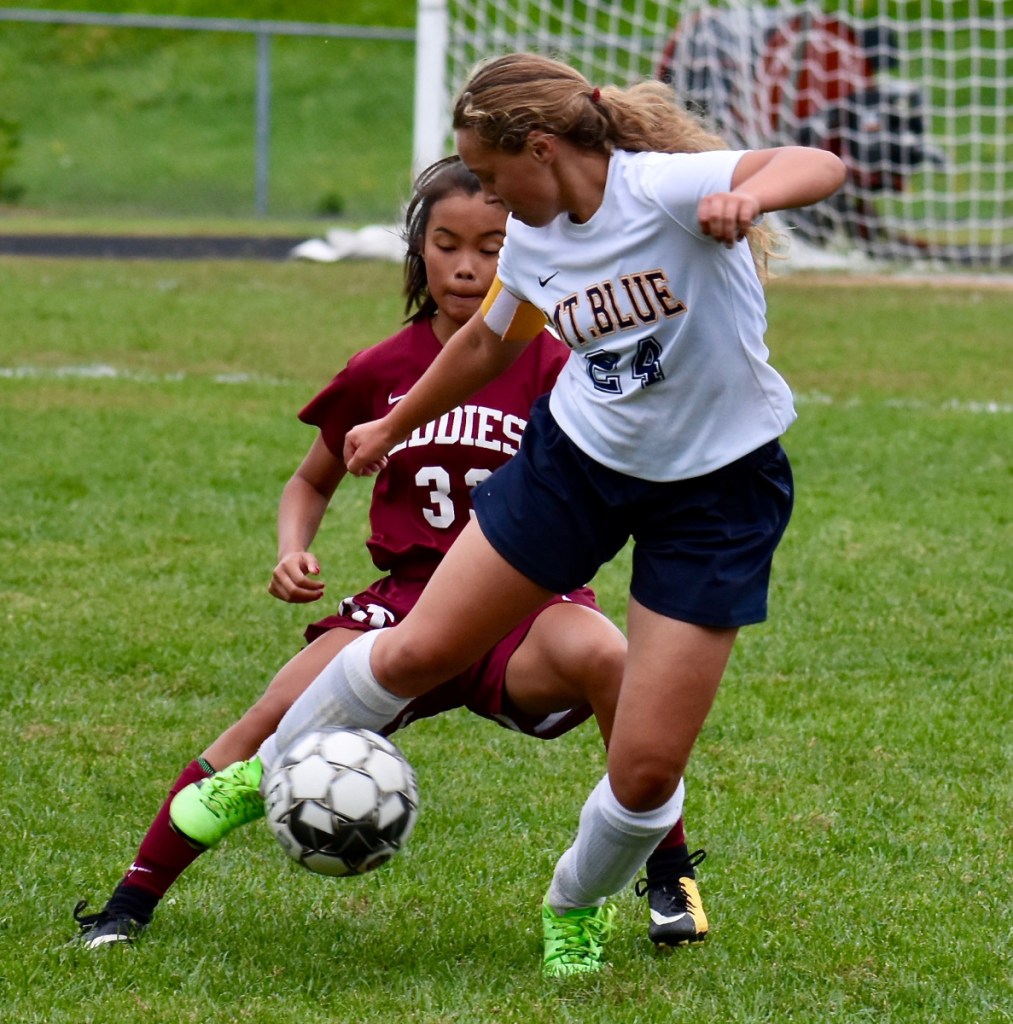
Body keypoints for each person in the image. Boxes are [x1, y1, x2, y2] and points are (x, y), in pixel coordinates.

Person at [168, 52, 846, 978]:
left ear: (538, 147)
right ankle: (272, 766)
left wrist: (750, 195)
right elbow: (490, 341)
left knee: (646, 771)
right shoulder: (533, 233)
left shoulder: (656, 189)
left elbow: (818, 162)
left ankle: (572, 904)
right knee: (414, 650)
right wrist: (392, 422)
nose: (485, 200)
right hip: (575, 468)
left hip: (717, 493)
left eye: (489, 177)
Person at [74, 154, 709, 952]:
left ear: (526, 251)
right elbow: (310, 480)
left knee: (614, 664)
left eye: (491, 244)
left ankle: (670, 880)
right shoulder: (381, 368)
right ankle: (128, 903)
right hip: (403, 600)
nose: (470, 266)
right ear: (420, 252)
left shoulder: (559, 362)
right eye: (447, 243)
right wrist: (290, 547)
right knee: (267, 722)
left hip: (529, 599)